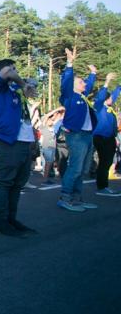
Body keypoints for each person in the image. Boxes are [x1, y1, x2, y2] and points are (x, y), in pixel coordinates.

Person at [0, 59, 39, 237]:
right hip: (6, 141)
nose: (15, 71)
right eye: (12, 68)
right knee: (5, 181)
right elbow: (9, 73)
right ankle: (2, 222)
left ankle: (11, 219)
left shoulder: (15, 90)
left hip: (23, 141)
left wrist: (29, 84)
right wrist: (23, 83)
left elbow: (34, 86)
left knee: (17, 183)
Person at [58, 48, 98, 212]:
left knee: (82, 169)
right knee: (75, 167)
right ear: (74, 86)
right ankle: (65, 197)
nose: (85, 84)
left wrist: (93, 74)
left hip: (87, 135)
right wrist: (70, 63)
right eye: (82, 82)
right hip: (76, 135)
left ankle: (77, 198)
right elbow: (67, 82)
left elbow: (89, 84)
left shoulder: (82, 97)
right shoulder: (69, 96)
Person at [92, 72, 120, 196]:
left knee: (107, 162)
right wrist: (107, 81)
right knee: (104, 162)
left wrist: (119, 86)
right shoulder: (99, 106)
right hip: (101, 138)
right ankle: (102, 187)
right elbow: (102, 95)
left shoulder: (109, 108)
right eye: (109, 98)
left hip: (109, 138)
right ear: (105, 99)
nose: (112, 99)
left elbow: (114, 94)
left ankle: (102, 185)